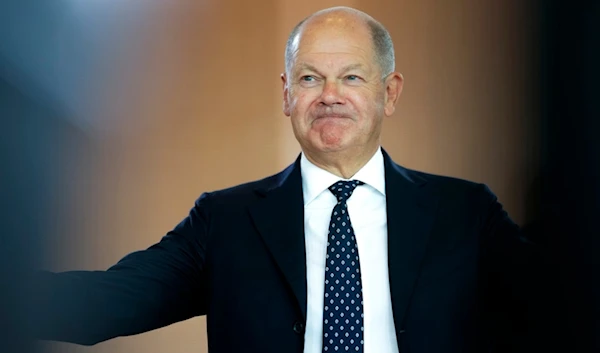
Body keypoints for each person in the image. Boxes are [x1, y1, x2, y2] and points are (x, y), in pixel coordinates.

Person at [30, 6, 539, 353]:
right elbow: (108, 302)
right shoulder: (225, 221)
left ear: (391, 92)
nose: (329, 95)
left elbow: (559, 307)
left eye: (352, 77)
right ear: (287, 95)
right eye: (310, 77)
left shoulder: (465, 212)